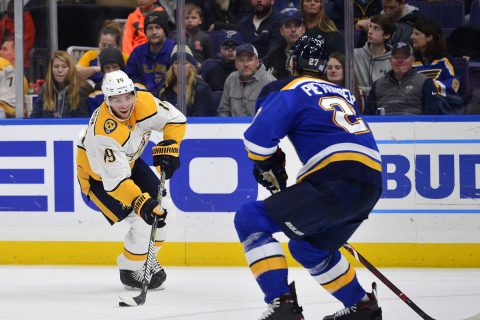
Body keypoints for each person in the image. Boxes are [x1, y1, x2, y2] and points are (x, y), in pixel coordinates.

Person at [234, 35, 383, 320]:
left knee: (249, 219)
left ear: (293, 62)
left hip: (334, 180)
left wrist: (268, 165)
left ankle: (282, 304)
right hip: (371, 184)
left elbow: (256, 143)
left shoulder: (291, 88)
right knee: (309, 248)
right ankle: (362, 306)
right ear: (325, 66)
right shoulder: (344, 93)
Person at [76, 70, 186, 290]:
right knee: (143, 219)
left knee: (165, 211)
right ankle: (129, 269)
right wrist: (141, 203)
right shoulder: (103, 132)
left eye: (127, 96)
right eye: (116, 99)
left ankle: (146, 258)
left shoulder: (144, 101)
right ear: (107, 100)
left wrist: (170, 146)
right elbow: (114, 182)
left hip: (131, 165)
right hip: (99, 180)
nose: (124, 104)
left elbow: (176, 119)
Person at [365, 41, 450, 115]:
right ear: (390, 60)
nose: (400, 60)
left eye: (404, 57)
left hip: (416, 131)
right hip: (382, 130)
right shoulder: (378, 84)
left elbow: (431, 116)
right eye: (396, 57)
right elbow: (367, 115)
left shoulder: (425, 82)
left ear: (412, 60)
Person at [217, 43, 276, 116]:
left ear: (257, 62)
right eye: (241, 60)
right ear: (236, 64)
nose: (246, 64)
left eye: (250, 60)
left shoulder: (270, 82)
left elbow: (273, 114)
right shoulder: (231, 79)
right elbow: (223, 110)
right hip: (233, 126)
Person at [125, 11, 175, 96]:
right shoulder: (138, 52)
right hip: (143, 98)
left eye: (158, 27)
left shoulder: (174, 50)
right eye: (149, 28)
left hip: (169, 99)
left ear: (165, 30)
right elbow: (129, 78)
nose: (154, 32)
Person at [30, 51, 91, 118]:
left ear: (70, 69)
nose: (60, 70)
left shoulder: (83, 88)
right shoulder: (45, 89)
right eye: (56, 66)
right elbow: (34, 117)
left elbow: (87, 120)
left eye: (64, 66)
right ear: (51, 69)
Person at [159, 46, 216, 116]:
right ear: (172, 67)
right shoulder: (164, 90)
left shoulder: (202, 89)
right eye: (177, 63)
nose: (180, 66)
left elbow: (202, 119)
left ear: (191, 67)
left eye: (185, 63)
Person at [411, 19, 460, 99]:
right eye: (412, 34)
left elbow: (454, 84)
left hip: (440, 103)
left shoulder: (444, 59)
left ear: (429, 38)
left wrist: (429, 87)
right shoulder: (411, 60)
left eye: (416, 34)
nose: (412, 37)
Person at [76, 20, 127, 88]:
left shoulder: (125, 58)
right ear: (98, 42)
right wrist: (96, 69)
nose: (106, 49)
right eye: (103, 45)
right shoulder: (91, 55)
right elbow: (75, 72)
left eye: (111, 46)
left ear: (119, 46)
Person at [354, 14, 396, 95]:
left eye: (376, 28)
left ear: (387, 35)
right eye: (370, 26)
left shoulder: (393, 61)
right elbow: (348, 87)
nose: (370, 31)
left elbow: (389, 91)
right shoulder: (354, 55)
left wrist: (361, 89)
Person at [263, 7, 305, 80]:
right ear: (281, 31)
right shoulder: (272, 58)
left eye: (297, 25)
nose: (293, 30)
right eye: (288, 26)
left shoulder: (315, 54)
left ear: (303, 29)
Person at [87, 47, 127, 116]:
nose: (111, 71)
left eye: (115, 67)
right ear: (102, 71)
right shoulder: (95, 96)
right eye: (107, 68)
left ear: (121, 68)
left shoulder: (136, 89)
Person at [0, 0, 36, 71]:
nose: (12, 10)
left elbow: (27, 46)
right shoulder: (3, 22)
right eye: (10, 9)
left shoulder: (26, 21)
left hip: (22, 63)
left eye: (14, 8)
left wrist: (15, 60)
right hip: (4, 60)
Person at [182, 3, 215, 68]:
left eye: (193, 17)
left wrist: (202, 65)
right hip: (181, 72)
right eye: (186, 18)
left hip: (199, 72)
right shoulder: (176, 37)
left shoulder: (205, 37)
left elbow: (211, 60)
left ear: (200, 20)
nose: (190, 20)